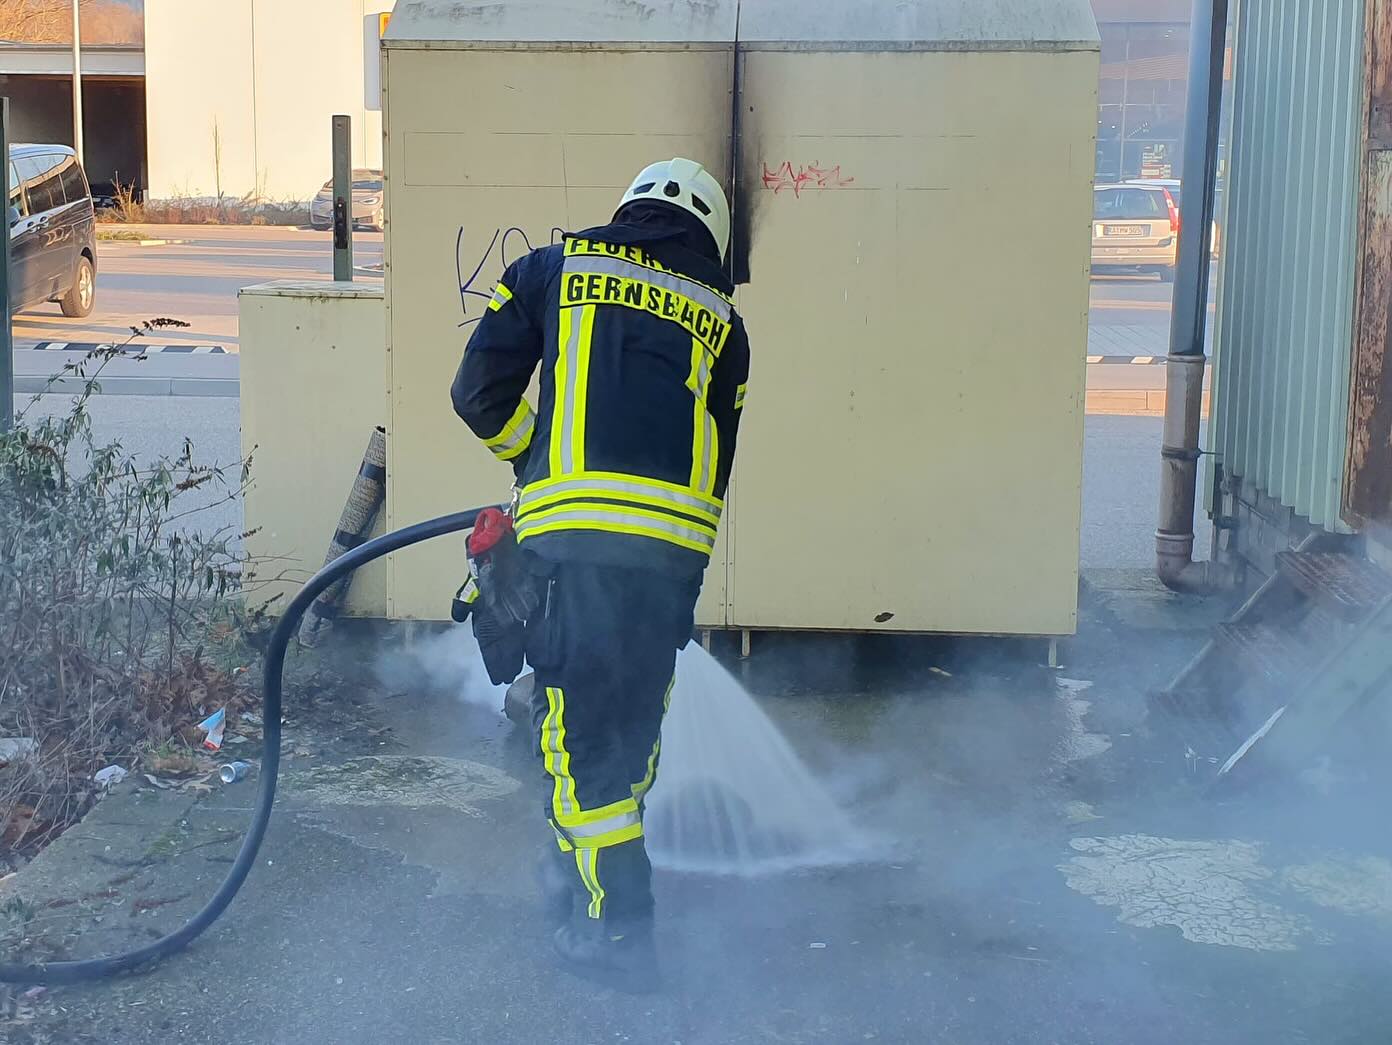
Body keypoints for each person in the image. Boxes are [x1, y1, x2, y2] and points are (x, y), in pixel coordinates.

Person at [450, 158, 751, 992]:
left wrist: (534, 462)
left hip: (574, 566)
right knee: (625, 748)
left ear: (628, 210)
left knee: (580, 758)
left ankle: (620, 932)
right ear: (709, 237)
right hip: (663, 578)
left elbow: (477, 392)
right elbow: (715, 467)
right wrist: (681, 589)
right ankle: (578, 878)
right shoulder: (725, 324)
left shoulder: (551, 270)